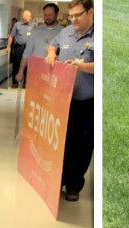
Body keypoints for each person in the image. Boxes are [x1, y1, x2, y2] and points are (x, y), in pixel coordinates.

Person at [45, 0, 94, 202]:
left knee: (81, 145)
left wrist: (82, 67)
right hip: (63, 101)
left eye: (78, 15)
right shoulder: (66, 32)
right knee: (61, 143)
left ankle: (74, 185)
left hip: (87, 102)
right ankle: (59, 181)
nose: (73, 19)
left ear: (90, 12)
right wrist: (51, 55)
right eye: (71, 15)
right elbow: (52, 45)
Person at [15, 4, 63, 85]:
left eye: (50, 14)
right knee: (33, 97)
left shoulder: (63, 32)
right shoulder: (36, 31)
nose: (47, 17)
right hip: (35, 73)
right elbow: (27, 53)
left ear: (57, 14)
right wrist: (21, 71)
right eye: (45, 15)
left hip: (53, 75)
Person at [6, 10, 33, 88]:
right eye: (28, 16)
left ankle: (25, 83)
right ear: (24, 16)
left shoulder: (32, 25)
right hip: (19, 47)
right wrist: (8, 46)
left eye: (30, 16)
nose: (30, 17)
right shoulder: (17, 25)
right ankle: (15, 82)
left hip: (29, 48)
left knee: (28, 65)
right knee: (17, 64)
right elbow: (11, 36)